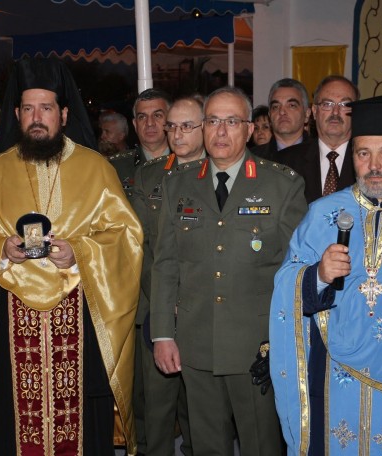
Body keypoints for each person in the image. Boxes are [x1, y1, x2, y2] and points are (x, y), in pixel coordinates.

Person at [0, 57, 143, 456]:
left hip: (81, 322)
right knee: (14, 423)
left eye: (46, 108)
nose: (37, 118)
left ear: (64, 114)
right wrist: (0, 250)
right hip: (10, 326)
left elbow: (126, 236)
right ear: (16, 114)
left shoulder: (96, 168)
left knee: (84, 426)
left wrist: (81, 253)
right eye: (28, 109)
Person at [151, 86, 307, 455]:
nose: (221, 132)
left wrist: (287, 340)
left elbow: (297, 269)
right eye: (213, 121)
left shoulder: (281, 184)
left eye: (232, 122)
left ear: (250, 130)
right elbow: (166, 263)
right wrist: (162, 334)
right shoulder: (178, 183)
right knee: (206, 446)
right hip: (195, 342)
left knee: (261, 445)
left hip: (257, 345)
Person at [270, 96, 382, 454]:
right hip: (336, 374)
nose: (374, 166)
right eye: (363, 153)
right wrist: (318, 275)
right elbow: (286, 285)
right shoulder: (323, 213)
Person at [132, 95, 206, 456]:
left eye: (186, 126)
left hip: (205, 309)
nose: (176, 134)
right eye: (172, 127)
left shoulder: (220, 174)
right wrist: (169, 301)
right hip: (158, 308)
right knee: (157, 411)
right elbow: (141, 247)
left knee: (202, 412)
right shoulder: (149, 176)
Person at [278, 75, 359, 203]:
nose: (335, 112)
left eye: (344, 104)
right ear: (315, 111)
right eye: (327, 104)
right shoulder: (285, 163)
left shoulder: (368, 162)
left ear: (357, 112)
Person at [109, 89, 172, 200]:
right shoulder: (115, 168)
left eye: (157, 115)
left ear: (170, 121)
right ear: (135, 124)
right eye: (142, 117)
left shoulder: (185, 163)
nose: (150, 123)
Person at [252, 78, 311, 161]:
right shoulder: (252, 159)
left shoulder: (321, 157)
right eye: (276, 107)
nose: (282, 112)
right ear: (270, 115)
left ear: (307, 114)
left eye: (291, 105)